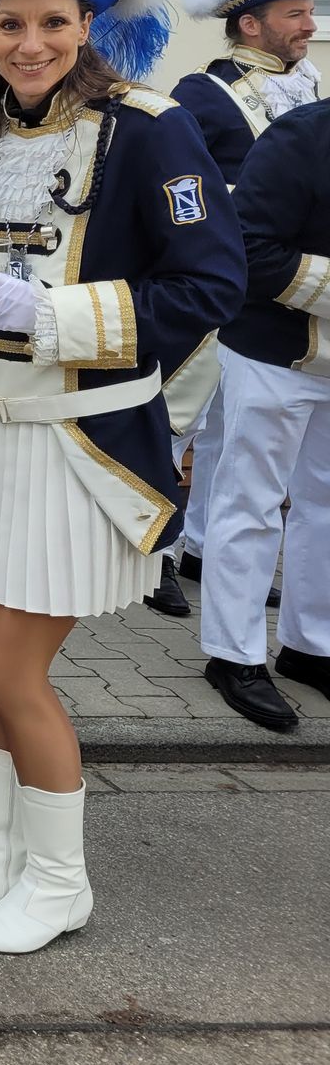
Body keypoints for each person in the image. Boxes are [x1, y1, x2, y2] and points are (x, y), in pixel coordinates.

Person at [0, 0, 243, 951]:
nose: (30, 43)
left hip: (83, 440)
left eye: (52, 23)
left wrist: (57, 316)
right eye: (10, 25)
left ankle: (60, 882)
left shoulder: (151, 128)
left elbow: (211, 284)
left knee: (11, 672)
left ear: (87, 26)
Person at [152, 0, 330, 618]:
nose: (309, 25)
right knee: (180, 413)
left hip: (276, 289)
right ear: (250, 24)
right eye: (296, 14)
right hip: (216, 273)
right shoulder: (203, 93)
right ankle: (155, 552)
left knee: (229, 428)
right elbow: (172, 184)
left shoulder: (307, 90)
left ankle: (202, 547)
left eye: (309, 13)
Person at [196, 92, 330, 732]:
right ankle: (234, 654)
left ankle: (312, 646)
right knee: (250, 501)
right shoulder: (304, 135)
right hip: (274, 353)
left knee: (327, 507)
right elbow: (248, 247)